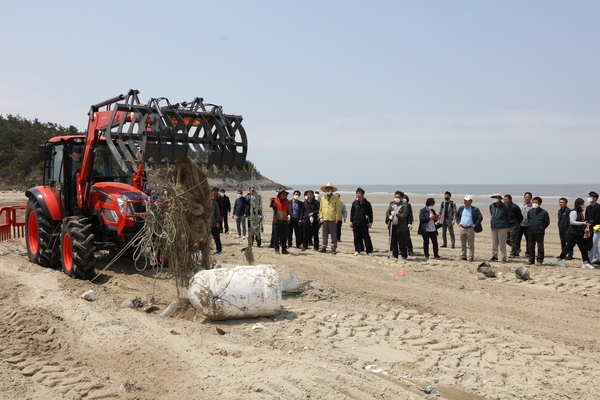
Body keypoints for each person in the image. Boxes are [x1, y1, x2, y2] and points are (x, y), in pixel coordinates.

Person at [556, 198, 593, 269]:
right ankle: (559, 260)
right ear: (578, 204)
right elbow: (572, 222)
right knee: (568, 247)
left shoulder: (580, 212)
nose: (583, 205)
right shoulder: (574, 212)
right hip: (573, 234)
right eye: (582, 204)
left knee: (583, 248)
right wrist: (582, 223)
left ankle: (585, 263)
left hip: (580, 234)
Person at [455, 195, 483, 262]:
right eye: (464, 200)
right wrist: (458, 222)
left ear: (470, 201)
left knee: (470, 244)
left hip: (470, 228)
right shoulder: (461, 208)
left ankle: (471, 257)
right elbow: (457, 215)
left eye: (466, 200)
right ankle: (463, 256)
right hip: (462, 228)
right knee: (462, 243)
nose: (465, 201)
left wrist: (475, 225)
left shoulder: (474, 209)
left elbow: (480, 217)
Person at [526, 196, 550, 266]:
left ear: (540, 203)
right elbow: (528, 220)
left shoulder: (544, 212)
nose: (534, 204)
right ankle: (531, 260)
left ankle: (539, 260)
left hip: (539, 232)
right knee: (530, 246)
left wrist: (541, 228)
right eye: (533, 202)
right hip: (530, 231)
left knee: (540, 247)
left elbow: (547, 222)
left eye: (536, 202)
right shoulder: (530, 211)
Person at [350, 187, 374, 256]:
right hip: (356, 222)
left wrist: (370, 222)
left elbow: (370, 213)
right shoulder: (354, 203)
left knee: (366, 237)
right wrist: (351, 221)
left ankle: (369, 250)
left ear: (363, 194)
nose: (357, 194)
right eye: (357, 193)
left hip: (364, 223)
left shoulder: (367, 203)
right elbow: (352, 213)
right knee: (356, 237)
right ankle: (357, 249)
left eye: (359, 193)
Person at [385, 191, 409, 259]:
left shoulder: (404, 206)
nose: (396, 198)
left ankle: (404, 255)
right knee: (393, 241)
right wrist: (389, 216)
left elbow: (403, 216)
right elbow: (387, 212)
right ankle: (394, 254)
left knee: (402, 242)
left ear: (401, 198)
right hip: (392, 225)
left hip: (401, 227)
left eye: (398, 197)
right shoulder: (391, 204)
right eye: (395, 197)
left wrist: (396, 214)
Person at [319, 183, 341, 254]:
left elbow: (338, 209)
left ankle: (333, 248)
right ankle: (324, 247)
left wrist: (337, 218)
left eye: (329, 188)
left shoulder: (336, 199)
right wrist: (321, 217)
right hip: (324, 219)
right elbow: (321, 209)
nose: (328, 190)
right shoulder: (322, 198)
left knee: (333, 234)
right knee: (324, 235)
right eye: (327, 188)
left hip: (332, 219)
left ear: (332, 190)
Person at [489, 192, 510, 263]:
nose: (495, 199)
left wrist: (503, 223)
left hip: (502, 227)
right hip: (493, 226)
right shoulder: (491, 206)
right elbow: (491, 214)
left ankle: (504, 257)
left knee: (502, 243)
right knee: (494, 243)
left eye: (496, 197)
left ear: (500, 198)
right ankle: (494, 256)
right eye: (494, 198)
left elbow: (508, 216)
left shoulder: (505, 206)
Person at [270, 189, 290, 254]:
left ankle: (284, 249)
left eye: (285, 194)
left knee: (284, 236)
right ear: (279, 195)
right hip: (277, 221)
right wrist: (272, 201)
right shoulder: (276, 201)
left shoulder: (287, 202)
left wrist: (289, 215)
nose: (284, 195)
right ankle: (276, 249)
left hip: (284, 221)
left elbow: (289, 211)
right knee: (276, 236)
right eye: (282, 194)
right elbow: (272, 206)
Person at [585, 191, 600, 265]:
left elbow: (597, 218)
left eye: (590, 197)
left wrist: (591, 224)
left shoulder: (598, 207)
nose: (589, 198)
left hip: (597, 228)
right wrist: (586, 223)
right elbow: (586, 217)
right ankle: (598, 258)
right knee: (594, 244)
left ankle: (589, 260)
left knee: (593, 244)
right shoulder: (588, 207)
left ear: (595, 198)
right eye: (589, 196)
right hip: (589, 228)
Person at [517, 192, 533, 258]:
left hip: (528, 226)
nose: (527, 198)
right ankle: (516, 252)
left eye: (529, 197)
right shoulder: (519, 205)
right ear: (524, 197)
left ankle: (528, 253)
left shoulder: (532, 206)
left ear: (531, 198)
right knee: (517, 240)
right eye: (526, 197)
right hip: (519, 225)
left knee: (529, 240)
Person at [211, 187, 222, 254]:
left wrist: (217, 222)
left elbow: (218, 213)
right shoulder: (204, 202)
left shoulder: (214, 203)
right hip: (206, 224)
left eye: (216, 191)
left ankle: (219, 250)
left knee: (216, 237)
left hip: (214, 223)